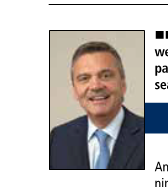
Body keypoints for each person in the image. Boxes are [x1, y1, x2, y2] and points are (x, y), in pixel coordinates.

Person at [50, 41, 144, 170]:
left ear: (123, 84)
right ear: (74, 90)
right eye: (84, 78)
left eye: (106, 75)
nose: (95, 86)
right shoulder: (58, 139)